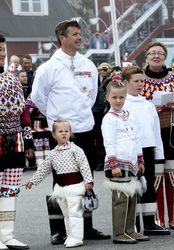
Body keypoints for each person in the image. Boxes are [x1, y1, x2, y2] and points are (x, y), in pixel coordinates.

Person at [31, 19, 110, 244]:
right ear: (62, 38)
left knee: (86, 177)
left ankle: (86, 226)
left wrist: (81, 113)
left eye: (79, 34)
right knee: (61, 179)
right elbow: (37, 97)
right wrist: (55, 117)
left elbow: (93, 93)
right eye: (74, 34)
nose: (79, 37)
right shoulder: (49, 67)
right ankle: (59, 229)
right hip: (61, 131)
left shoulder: (88, 64)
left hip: (85, 128)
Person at [141, 41, 174, 229]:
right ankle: (158, 218)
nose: (156, 56)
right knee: (155, 175)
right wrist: (150, 107)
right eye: (152, 53)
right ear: (146, 57)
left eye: (160, 53)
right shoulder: (140, 79)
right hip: (150, 134)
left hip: (173, 133)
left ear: (165, 57)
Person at [24, 120, 94, 248]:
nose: (64, 134)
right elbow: (43, 169)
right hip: (61, 188)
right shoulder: (52, 153)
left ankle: (77, 237)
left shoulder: (76, 150)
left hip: (75, 186)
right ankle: (70, 235)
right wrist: (32, 181)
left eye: (66, 131)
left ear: (70, 133)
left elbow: (84, 165)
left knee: (75, 213)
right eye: (60, 131)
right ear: (54, 135)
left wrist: (88, 180)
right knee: (66, 213)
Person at [123, 66, 170, 235]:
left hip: (148, 148)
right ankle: (132, 225)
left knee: (148, 185)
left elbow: (155, 130)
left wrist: (159, 153)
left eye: (142, 81)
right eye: (136, 81)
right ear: (125, 82)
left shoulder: (148, 105)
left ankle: (150, 223)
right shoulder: (123, 104)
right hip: (130, 151)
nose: (141, 84)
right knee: (133, 186)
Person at [101, 81, 149, 244]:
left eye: (121, 97)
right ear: (107, 97)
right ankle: (119, 233)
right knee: (120, 198)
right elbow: (109, 142)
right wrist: (113, 163)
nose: (118, 100)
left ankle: (130, 230)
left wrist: (140, 158)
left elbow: (136, 138)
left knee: (132, 196)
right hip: (117, 163)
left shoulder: (130, 116)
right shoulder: (109, 119)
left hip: (132, 162)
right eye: (114, 97)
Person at [0, 33, 34, 250]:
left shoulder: (12, 79)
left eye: (3, 51)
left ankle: (7, 234)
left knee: (10, 189)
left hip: (15, 140)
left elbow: (24, 113)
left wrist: (28, 140)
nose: (1, 54)